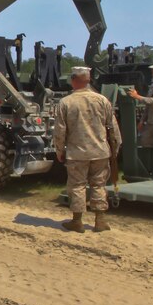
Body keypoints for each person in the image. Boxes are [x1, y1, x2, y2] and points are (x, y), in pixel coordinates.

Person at [54, 66, 122, 233]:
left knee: (77, 186)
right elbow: (113, 128)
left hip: (77, 153)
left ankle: (77, 221)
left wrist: (59, 150)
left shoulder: (66, 102)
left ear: (73, 80)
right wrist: (116, 148)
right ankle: (100, 220)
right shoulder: (102, 100)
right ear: (88, 80)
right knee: (99, 185)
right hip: (100, 151)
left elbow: (59, 131)